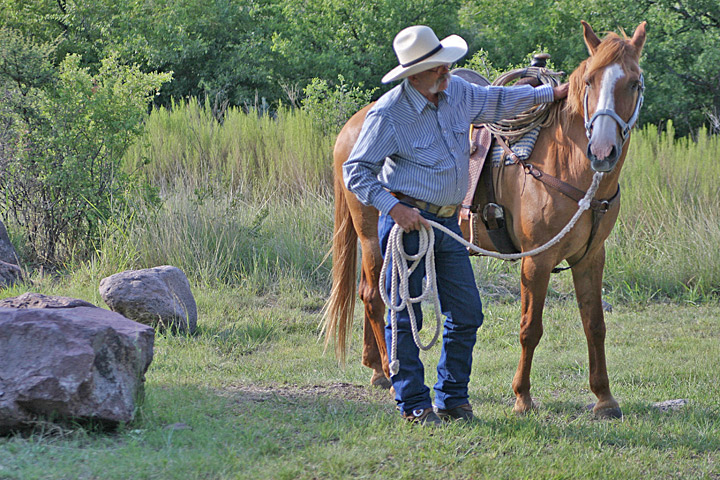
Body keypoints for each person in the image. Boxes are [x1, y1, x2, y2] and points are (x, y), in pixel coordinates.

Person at [343, 25, 568, 425]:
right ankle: (413, 401)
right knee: (404, 313)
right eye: (437, 69)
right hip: (407, 224)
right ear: (414, 75)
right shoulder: (388, 113)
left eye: (446, 65)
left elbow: (497, 100)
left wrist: (550, 94)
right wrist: (392, 208)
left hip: (448, 223)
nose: (447, 73)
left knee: (466, 313)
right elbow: (356, 171)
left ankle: (451, 397)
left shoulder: (457, 93)